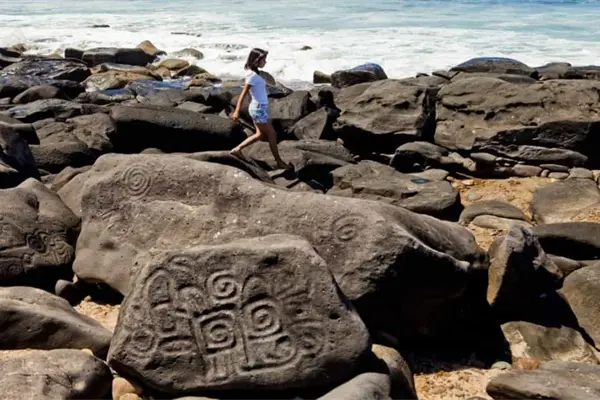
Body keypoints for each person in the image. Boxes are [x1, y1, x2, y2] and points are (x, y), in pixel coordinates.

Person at [229, 48, 291, 169]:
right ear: (256, 61)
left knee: (259, 134)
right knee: (272, 134)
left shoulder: (254, 74)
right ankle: (279, 162)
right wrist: (237, 111)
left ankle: (237, 149)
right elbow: (243, 94)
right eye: (264, 60)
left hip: (259, 108)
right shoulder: (252, 76)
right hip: (258, 109)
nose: (265, 62)